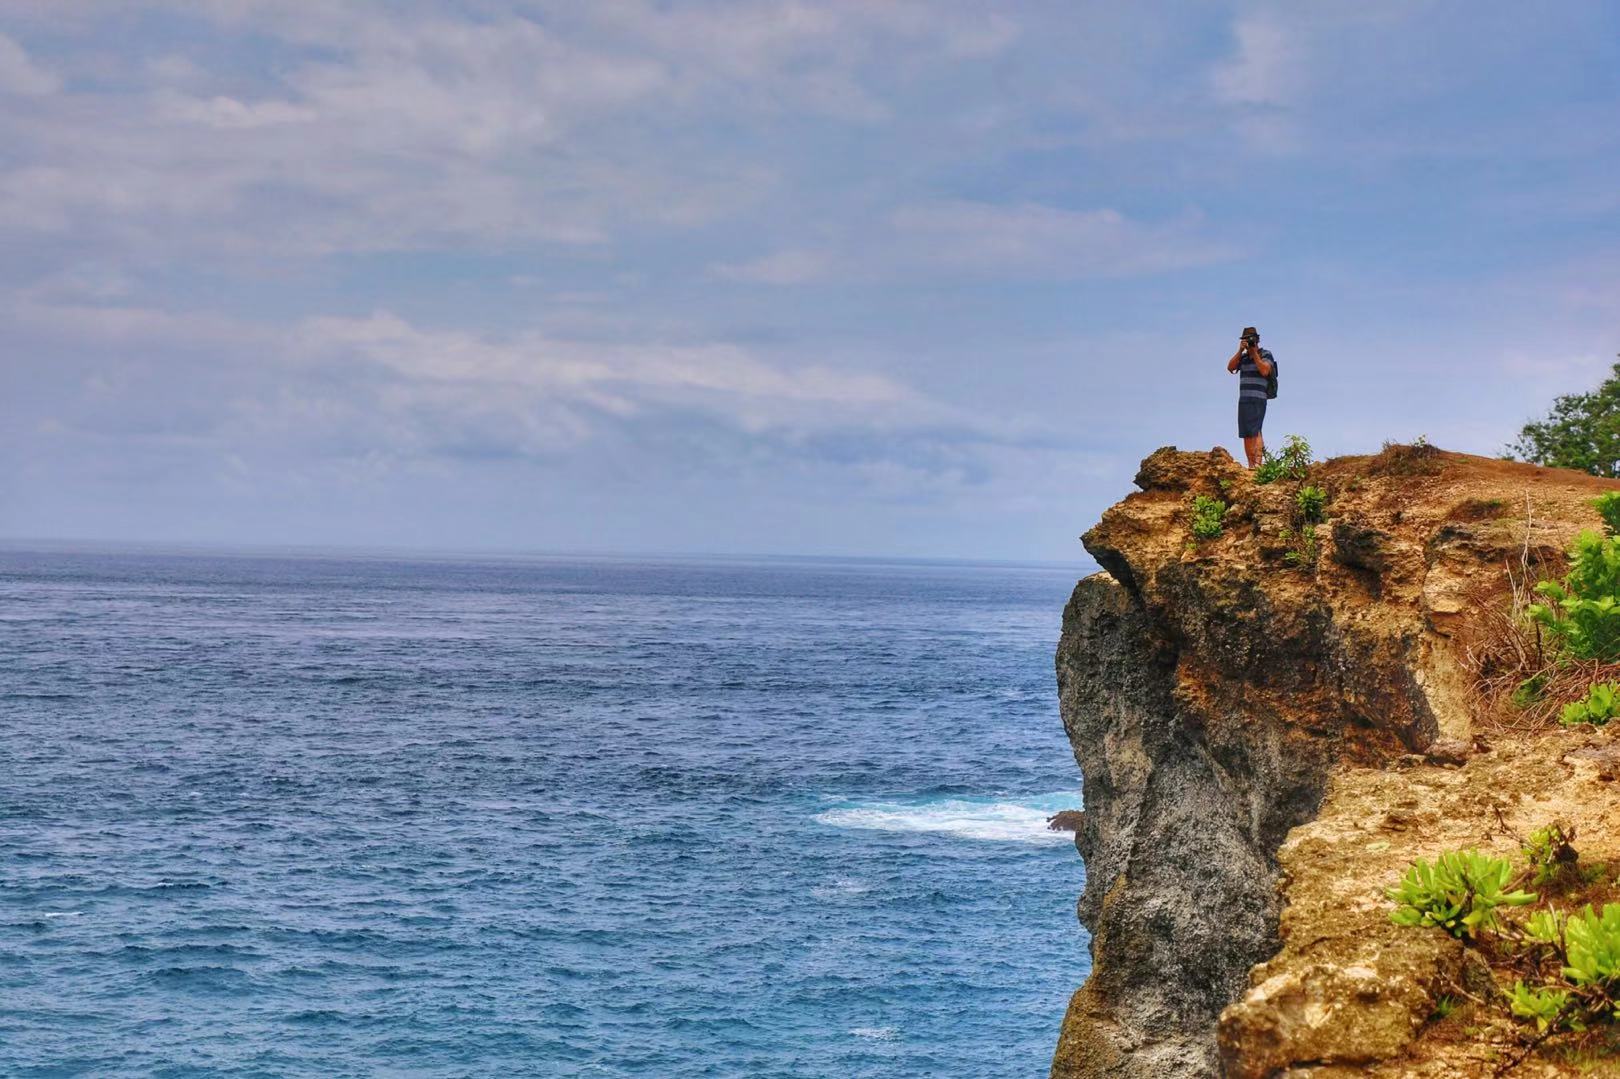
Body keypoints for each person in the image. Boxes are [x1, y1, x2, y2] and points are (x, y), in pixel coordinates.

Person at [1226, 326, 1274, 468]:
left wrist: (1255, 354)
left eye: (1251, 339)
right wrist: (1240, 351)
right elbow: (1230, 367)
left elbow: (1265, 371)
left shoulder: (1265, 354)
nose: (1249, 342)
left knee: (1256, 430)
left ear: (1257, 340)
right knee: (1247, 432)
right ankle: (1252, 465)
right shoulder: (1243, 357)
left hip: (1258, 398)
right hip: (1244, 399)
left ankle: (1258, 464)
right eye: (1246, 339)